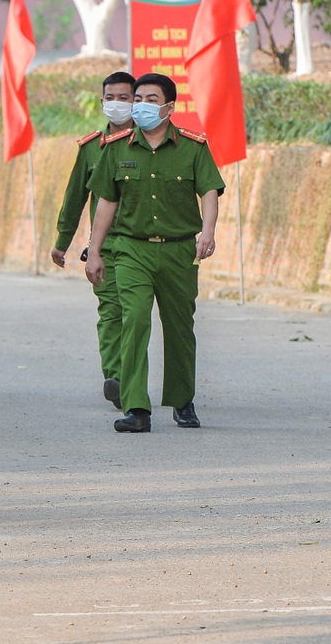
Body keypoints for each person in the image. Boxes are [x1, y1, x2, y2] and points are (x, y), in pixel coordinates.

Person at [85, 73, 224, 433]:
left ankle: (182, 401)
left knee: (179, 327)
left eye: (150, 100)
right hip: (132, 251)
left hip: (179, 251)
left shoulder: (193, 148)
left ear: (169, 107)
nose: (141, 106)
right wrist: (95, 250)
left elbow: (209, 191)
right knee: (135, 321)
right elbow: (105, 203)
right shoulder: (116, 148)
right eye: (138, 99)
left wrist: (208, 232)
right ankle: (136, 407)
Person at [50, 71, 135, 410]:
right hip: (107, 248)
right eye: (110, 97)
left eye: (124, 97)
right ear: (102, 102)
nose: (116, 103)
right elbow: (75, 197)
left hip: (144, 244)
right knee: (112, 312)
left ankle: (134, 378)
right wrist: (62, 241)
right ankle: (116, 377)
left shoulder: (151, 145)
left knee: (135, 314)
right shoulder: (91, 149)